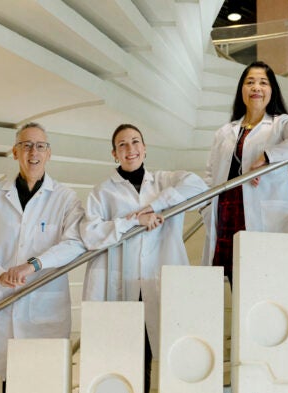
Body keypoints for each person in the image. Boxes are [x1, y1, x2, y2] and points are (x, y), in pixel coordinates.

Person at [81, 123, 208, 392]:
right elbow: (91, 235)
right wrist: (136, 221)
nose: (130, 149)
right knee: (126, 355)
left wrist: (156, 205)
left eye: (135, 142)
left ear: (145, 148)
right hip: (122, 281)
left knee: (161, 352)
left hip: (158, 277)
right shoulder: (103, 192)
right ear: (114, 153)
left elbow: (198, 187)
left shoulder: (164, 181)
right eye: (122, 145)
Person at [0, 122, 86, 382]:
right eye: (26, 145)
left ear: (48, 153)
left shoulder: (65, 198)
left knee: (38, 382)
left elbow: (74, 243)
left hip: (43, 310)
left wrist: (34, 265)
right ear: (15, 152)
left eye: (40, 146)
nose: (33, 152)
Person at [202, 61, 288, 284]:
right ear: (241, 90)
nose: (256, 87)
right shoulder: (225, 131)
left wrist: (267, 156)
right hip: (226, 216)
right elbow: (210, 173)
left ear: (272, 90)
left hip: (262, 215)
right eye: (250, 82)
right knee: (235, 281)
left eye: (263, 82)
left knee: (265, 280)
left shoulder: (281, 123)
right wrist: (206, 208)